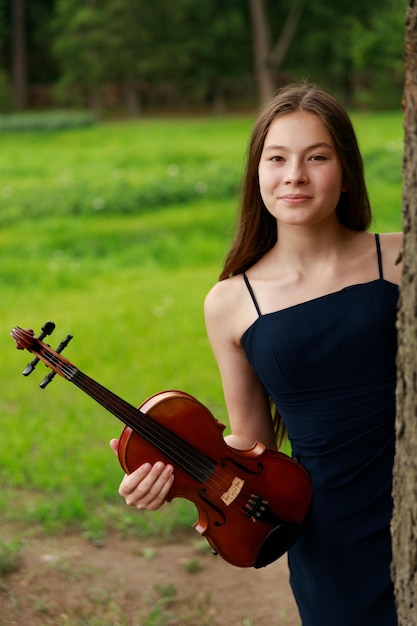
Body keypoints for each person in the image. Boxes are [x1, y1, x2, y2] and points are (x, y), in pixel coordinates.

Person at [110, 82, 402, 626]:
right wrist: (176, 473)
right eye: (277, 158)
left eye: (317, 157)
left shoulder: (401, 258)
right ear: (257, 174)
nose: (295, 174)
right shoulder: (230, 302)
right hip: (331, 533)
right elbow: (253, 444)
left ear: (346, 172)